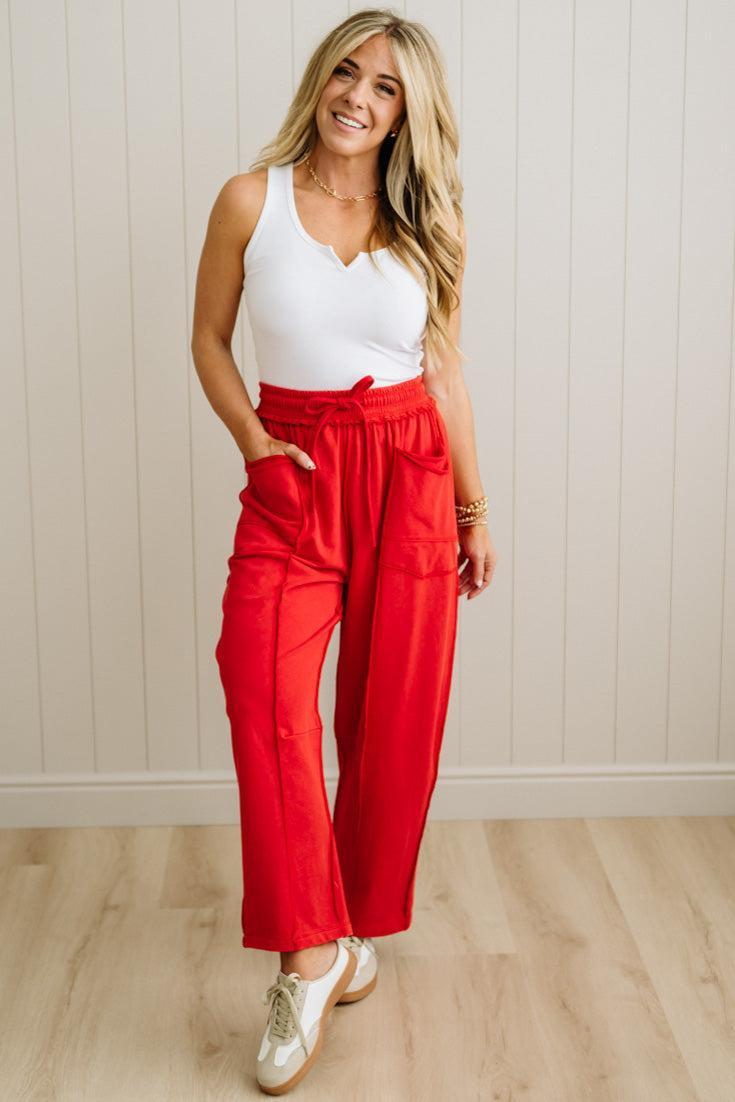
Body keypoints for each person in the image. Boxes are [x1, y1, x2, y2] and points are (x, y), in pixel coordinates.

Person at [191, 7, 497, 1094]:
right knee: (260, 687)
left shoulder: (431, 219)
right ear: (320, 79)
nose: (357, 97)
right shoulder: (250, 200)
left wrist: (472, 507)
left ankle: (355, 928)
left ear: (408, 113)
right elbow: (208, 341)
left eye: (385, 88)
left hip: (409, 470)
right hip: (299, 471)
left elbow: (447, 370)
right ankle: (306, 952)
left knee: (392, 714)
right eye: (347, 72)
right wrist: (255, 444)